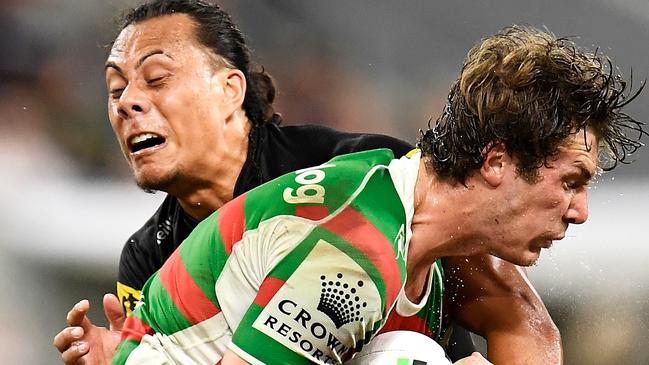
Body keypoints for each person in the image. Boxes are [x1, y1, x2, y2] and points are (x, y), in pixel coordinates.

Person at [53, 1, 572, 363]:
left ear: (230, 89)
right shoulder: (148, 256)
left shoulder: (369, 174)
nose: (127, 103)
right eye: (114, 89)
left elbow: (521, 321)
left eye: (156, 78)